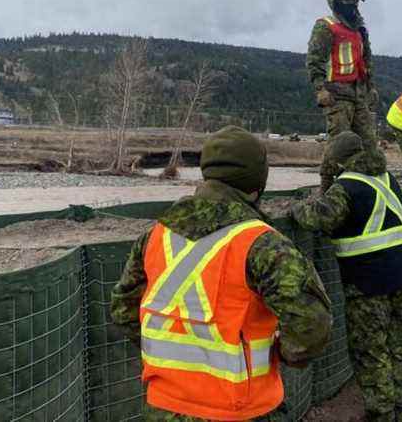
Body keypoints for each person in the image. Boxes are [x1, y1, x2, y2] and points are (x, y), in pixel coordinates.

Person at [110, 126, 333, 421]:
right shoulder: (264, 245)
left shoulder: (155, 236)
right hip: (240, 409)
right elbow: (312, 325)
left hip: (164, 407)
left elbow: (124, 309)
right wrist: (282, 352)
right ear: (257, 185)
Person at [291, 131, 402, 422]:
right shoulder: (388, 180)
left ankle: (381, 412)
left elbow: (316, 218)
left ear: (339, 159)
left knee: (371, 352)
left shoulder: (347, 186)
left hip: (367, 285)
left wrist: (298, 206)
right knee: (400, 349)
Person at [306, 0, 379, 192]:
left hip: (358, 92)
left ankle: (368, 183)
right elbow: (314, 60)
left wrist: (370, 86)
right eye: (348, 2)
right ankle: (327, 188)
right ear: (338, 2)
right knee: (339, 142)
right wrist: (320, 88)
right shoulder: (326, 26)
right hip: (336, 93)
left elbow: (366, 60)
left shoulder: (360, 28)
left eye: (355, 2)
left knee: (368, 141)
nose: (352, 6)